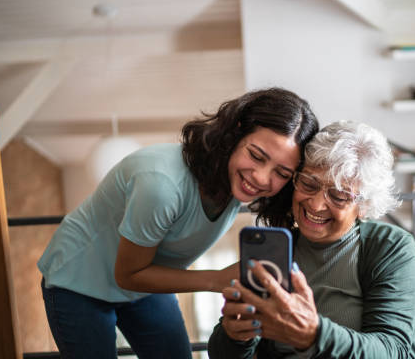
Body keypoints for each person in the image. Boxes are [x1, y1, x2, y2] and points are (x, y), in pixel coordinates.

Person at [38, 87, 319, 359]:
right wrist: (217, 279)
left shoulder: (234, 180)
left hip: (146, 279)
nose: (261, 178)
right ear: (235, 132)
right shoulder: (162, 185)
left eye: (281, 172)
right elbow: (128, 275)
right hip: (79, 280)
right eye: (257, 156)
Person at [208, 120, 415, 358]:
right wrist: (235, 336)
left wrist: (314, 334)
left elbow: (392, 350)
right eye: (309, 183)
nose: (316, 204)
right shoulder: (278, 249)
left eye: (339, 196)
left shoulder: (389, 247)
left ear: (364, 205)